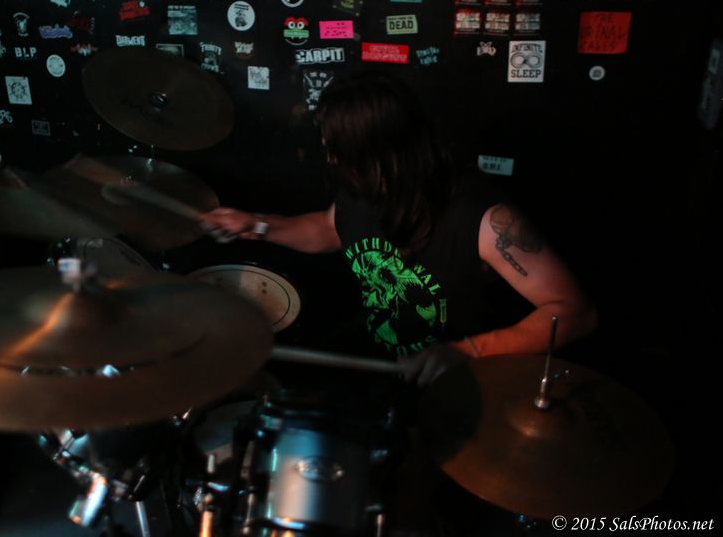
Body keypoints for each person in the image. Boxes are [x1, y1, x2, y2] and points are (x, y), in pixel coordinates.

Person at [200, 71, 597, 387]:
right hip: (377, 362)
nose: (331, 157)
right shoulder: (364, 186)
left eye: (338, 149)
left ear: (378, 152)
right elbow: (329, 229)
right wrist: (258, 225)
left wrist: (468, 351)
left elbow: (574, 312)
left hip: (458, 383)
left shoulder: (485, 220)